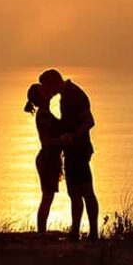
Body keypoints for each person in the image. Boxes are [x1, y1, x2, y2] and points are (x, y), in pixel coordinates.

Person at [38, 68, 99, 240]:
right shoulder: (64, 98)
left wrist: (72, 136)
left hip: (79, 149)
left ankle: (93, 232)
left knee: (86, 191)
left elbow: (89, 122)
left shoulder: (75, 95)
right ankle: (75, 231)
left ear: (54, 83)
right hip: (71, 151)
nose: (47, 91)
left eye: (47, 86)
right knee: (74, 193)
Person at [24, 83, 65, 234]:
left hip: (50, 158)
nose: (48, 92)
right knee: (47, 197)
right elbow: (46, 141)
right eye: (44, 91)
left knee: (48, 197)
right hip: (47, 159)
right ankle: (41, 233)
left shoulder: (46, 112)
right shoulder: (43, 114)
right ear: (40, 97)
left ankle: (42, 232)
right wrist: (63, 140)